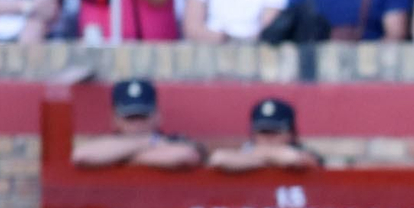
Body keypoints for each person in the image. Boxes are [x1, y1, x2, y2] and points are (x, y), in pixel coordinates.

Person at [71, 77, 204, 166]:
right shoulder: (107, 142)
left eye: (142, 115)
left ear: (157, 116)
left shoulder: (175, 140)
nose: (137, 123)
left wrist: (116, 157)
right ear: (114, 119)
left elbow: (185, 155)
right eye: (130, 117)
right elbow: (81, 156)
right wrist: (148, 142)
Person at [206, 96, 320, 171]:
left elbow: (296, 159)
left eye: (275, 131)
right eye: (263, 131)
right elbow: (218, 159)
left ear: (290, 133)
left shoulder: (302, 151)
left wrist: (249, 160)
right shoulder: (247, 149)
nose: (268, 137)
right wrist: (271, 159)